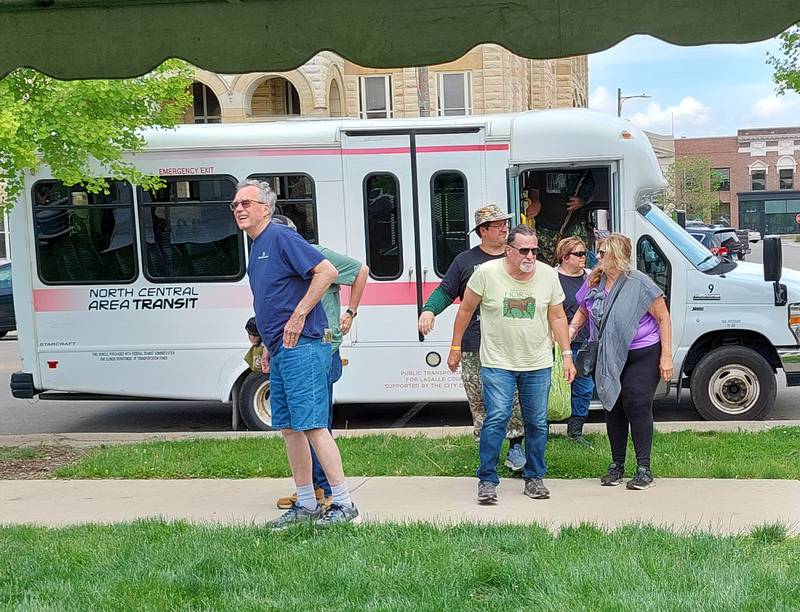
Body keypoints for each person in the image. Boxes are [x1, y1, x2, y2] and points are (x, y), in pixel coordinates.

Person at [232, 179, 359, 528]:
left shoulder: (281, 237)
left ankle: (344, 503)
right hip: (281, 350)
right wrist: (269, 346)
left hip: (304, 347)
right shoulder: (256, 247)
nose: (239, 209)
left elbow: (327, 272)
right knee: (289, 428)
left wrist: (300, 315)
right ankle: (306, 503)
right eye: (235, 205)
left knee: (314, 425)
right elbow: (269, 299)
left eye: (246, 203)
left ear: (266, 208)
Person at [448, 224, 576, 503]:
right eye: (524, 251)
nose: (531, 256)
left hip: (538, 362)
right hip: (497, 361)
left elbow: (557, 316)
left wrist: (567, 355)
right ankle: (487, 480)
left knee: (537, 422)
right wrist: (455, 347)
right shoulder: (486, 274)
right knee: (497, 418)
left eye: (535, 250)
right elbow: (466, 309)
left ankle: (534, 478)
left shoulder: (547, 276)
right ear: (509, 251)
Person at [268, 215, 369, 510]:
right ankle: (312, 490)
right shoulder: (276, 261)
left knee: (315, 421)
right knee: (301, 421)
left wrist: (350, 312)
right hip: (291, 346)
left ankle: (327, 490)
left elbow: (361, 270)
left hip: (320, 345)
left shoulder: (318, 254)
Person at [418, 204, 527, 472]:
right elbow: (446, 291)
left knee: (512, 397)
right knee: (478, 398)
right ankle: (486, 450)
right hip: (473, 343)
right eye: (498, 224)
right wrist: (429, 311)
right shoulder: (465, 261)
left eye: (505, 223)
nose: (504, 228)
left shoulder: (517, 256)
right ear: (483, 231)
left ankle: (516, 447)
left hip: (510, 342)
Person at [569, 234, 673, 490]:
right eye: (598, 252)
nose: (598, 257)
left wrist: (666, 355)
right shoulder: (594, 281)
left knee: (636, 402)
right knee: (612, 404)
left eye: (603, 253)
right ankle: (616, 465)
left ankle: (644, 468)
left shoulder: (639, 283)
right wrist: (572, 330)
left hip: (642, 353)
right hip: (608, 354)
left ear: (618, 255)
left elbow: (663, 318)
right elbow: (583, 309)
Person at [555, 236, 594, 447]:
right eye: (578, 254)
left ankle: (576, 431)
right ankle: (543, 427)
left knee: (584, 386)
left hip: (585, 341)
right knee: (554, 386)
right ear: (564, 257)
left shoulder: (590, 277)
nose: (583, 258)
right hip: (557, 342)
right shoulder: (552, 278)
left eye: (584, 253)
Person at [528, 169, 595, 265]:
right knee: (545, 263)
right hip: (545, 227)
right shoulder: (541, 165)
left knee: (578, 259)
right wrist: (535, 202)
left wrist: (582, 201)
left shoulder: (583, 168)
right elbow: (533, 190)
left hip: (574, 224)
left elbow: (592, 192)